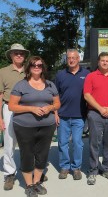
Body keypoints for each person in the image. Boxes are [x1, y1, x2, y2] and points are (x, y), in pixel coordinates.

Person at [8, 56, 60, 197]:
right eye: (33, 65)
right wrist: (31, 109)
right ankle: (28, 185)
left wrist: (50, 107)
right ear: (29, 68)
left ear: (43, 67)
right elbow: (12, 106)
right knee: (27, 154)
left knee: (42, 154)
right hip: (24, 126)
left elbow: (57, 104)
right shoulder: (21, 85)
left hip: (47, 126)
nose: (36, 67)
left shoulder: (50, 84)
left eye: (39, 65)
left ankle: (36, 182)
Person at [83, 52, 108, 185]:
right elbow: (87, 95)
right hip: (95, 114)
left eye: (107, 61)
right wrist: (100, 108)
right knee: (94, 143)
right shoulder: (91, 76)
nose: (105, 62)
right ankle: (93, 170)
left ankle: (106, 169)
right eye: (102, 60)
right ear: (98, 62)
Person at [54, 49, 90, 180]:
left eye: (74, 57)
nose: (71, 60)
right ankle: (64, 167)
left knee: (77, 143)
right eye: (69, 57)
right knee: (62, 142)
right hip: (63, 115)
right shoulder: (60, 75)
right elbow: (55, 95)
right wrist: (55, 113)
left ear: (78, 58)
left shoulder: (86, 74)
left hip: (79, 115)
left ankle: (76, 168)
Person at [0, 43, 28, 190]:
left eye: (21, 53)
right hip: (9, 109)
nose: (18, 55)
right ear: (11, 55)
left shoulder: (30, 71)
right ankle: (10, 173)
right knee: (9, 142)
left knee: (28, 142)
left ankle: (29, 171)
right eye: (15, 53)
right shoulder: (3, 72)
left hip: (27, 108)